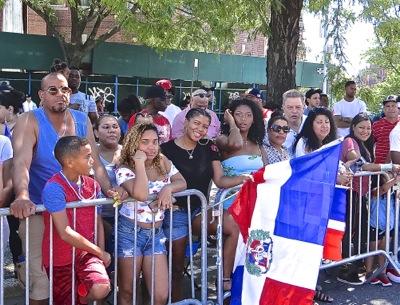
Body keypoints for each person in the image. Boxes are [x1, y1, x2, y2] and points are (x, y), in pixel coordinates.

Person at [9, 72, 118, 305]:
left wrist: (109, 190)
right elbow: (21, 162)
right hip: (39, 209)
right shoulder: (29, 120)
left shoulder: (81, 119)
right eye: (53, 90)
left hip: (79, 210)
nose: (61, 94)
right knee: (40, 282)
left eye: (65, 89)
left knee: (85, 273)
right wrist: (22, 195)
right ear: (41, 95)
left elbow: (96, 163)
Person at [161, 108, 251, 300]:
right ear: (185, 122)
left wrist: (243, 178)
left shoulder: (209, 147)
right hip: (174, 213)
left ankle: (225, 279)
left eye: (205, 126)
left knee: (232, 225)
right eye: (196, 123)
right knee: (176, 266)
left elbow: (220, 180)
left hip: (198, 210)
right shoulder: (166, 149)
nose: (200, 129)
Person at [115, 122, 186, 305]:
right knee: (127, 291)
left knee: (160, 295)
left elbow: (182, 182)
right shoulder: (125, 167)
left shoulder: (162, 161)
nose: (151, 147)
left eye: (155, 141)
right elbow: (141, 194)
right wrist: (139, 163)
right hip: (130, 233)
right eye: (145, 142)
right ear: (134, 143)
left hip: (156, 234)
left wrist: (168, 188)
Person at [42, 136, 111, 305]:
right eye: (87, 156)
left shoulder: (93, 184)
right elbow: (65, 232)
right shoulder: (53, 188)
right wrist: (99, 251)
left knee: (102, 287)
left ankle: (82, 298)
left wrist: (99, 252)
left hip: (87, 253)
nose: (92, 160)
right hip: (60, 257)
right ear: (69, 162)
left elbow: (98, 219)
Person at [338, 113, 400, 285]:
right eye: (361, 127)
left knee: (360, 232)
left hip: (361, 194)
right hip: (351, 193)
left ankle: (357, 267)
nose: (366, 131)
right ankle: (345, 269)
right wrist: (389, 166)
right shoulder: (350, 142)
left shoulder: (366, 144)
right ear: (353, 128)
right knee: (351, 232)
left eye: (368, 127)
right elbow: (360, 164)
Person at [216, 98, 266, 210]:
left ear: (254, 119)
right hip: (230, 199)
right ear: (231, 116)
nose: (243, 119)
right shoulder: (222, 139)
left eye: (249, 115)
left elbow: (266, 170)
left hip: (254, 200)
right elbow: (236, 144)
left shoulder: (257, 144)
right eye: (238, 114)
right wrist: (232, 124)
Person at [93, 115, 122, 254]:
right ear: (96, 132)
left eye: (115, 127)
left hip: (126, 217)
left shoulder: (130, 152)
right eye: (106, 127)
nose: (112, 130)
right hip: (99, 219)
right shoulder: (89, 155)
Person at [365, 173, 398, 286]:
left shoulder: (392, 192)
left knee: (383, 250)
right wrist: (396, 179)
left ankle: (382, 272)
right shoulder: (374, 191)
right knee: (373, 249)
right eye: (387, 175)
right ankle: (369, 272)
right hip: (376, 225)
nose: (390, 176)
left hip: (389, 226)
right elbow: (383, 189)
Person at [373, 95, 399, 164]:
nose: (391, 108)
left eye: (393, 105)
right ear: (384, 109)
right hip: (380, 168)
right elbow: (369, 144)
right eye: (388, 106)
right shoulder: (376, 125)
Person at [280, 89, 307, 154]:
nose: (294, 111)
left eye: (298, 107)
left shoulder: (311, 123)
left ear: (303, 107)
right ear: (283, 107)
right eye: (290, 107)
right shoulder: (273, 125)